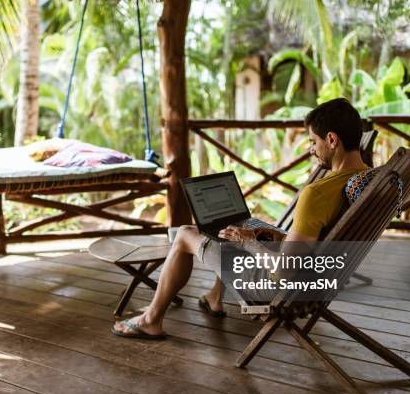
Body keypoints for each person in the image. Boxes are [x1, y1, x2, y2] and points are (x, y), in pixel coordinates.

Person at [112, 98, 369, 339]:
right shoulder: (368, 181)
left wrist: (248, 242)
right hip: (319, 279)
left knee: (185, 234)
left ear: (332, 139)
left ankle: (151, 320)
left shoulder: (317, 193)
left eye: (314, 141)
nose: (312, 149)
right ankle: (214, 297)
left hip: (278, 289)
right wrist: (279, 237)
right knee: (234, 227)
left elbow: (284, 271)